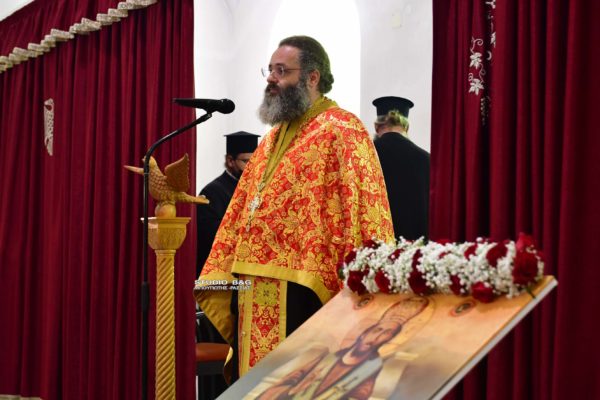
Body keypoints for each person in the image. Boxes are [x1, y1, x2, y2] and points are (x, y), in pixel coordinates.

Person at [194, 35, 394, 380]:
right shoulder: (272, 138)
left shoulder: (342, 130)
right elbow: (242, 208)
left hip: (306, 290)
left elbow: (362, 212)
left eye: (281, 71)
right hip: (251, 288)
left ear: (312, 77)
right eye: (269, 70)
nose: (271, 79)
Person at [254, 297, 429, 400]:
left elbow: (361, 395)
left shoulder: (371, 369)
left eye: (387, 334)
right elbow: (293, 377)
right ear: (364, 333)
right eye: (377, 330)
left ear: (390, 340)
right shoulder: (332, 356)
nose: (376, 337)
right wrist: (291, 389)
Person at [196, 131, 259, 277]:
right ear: (230, 161)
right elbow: (211, 235)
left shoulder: (257, 188)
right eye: (246, 162)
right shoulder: (212, 192)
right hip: (221, 274)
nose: (252, 168)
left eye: (255, 161)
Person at [372, 96, 430, 240]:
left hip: (373, 246)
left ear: (376, 126)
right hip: (414, 248)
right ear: (406, 127)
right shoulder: (427, 159)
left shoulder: (363, 156)